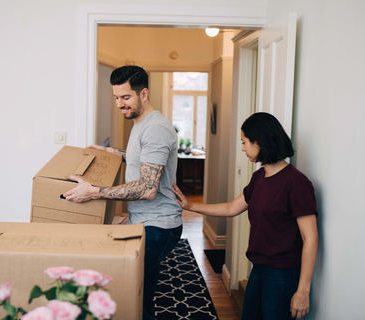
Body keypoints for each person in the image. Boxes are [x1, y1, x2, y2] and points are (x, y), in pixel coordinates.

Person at [62, 65, 183, 320]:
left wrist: (94, 192)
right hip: (145, 224)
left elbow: (148, 188)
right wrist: (114, 154)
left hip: (159, 227)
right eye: (116, 98)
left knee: (121, 294)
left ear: (144, 94)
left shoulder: (156, 128)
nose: (120, 104)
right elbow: (144, 161)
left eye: (126, 97)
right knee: (140, 300)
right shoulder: (141, 124)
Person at [172, 112, 318, 320]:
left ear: (260, 142)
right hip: (258, 269)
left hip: (282, 274)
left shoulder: (296, 184)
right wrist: (191, 206)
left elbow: (310, 238)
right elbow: (232, 208)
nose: (242, 148)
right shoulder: (260, 176)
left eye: (245, 142)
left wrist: (303, 291)